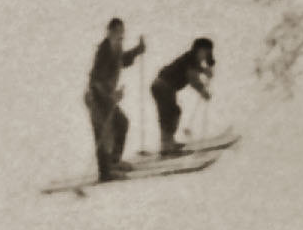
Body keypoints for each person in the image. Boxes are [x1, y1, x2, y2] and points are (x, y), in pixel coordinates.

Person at [85, 20, 146, 181]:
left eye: (122, 31)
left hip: (107, 96)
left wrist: (137, 51)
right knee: (104, 132)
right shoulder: (104, 50)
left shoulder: (116, 47)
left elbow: (122, 61)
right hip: (97, 96)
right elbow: (96, 80)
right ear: (110, 32)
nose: (121, 35)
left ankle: (114, 161)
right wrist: (111, 95)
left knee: (121, 123)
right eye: (117, 31)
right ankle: (105, 173)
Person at [150, 38, 216, 155]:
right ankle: (166, 146)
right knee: (169, 114)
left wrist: (205, 70)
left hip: (165, 87)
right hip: (163, 86)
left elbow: (195, 69)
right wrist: (202, 91)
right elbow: (192, 78)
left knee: (174, 112)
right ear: (200, 50)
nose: (206, 56)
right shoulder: (191, 59)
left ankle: (169, 142)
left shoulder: (192, 58)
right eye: (206, 53)